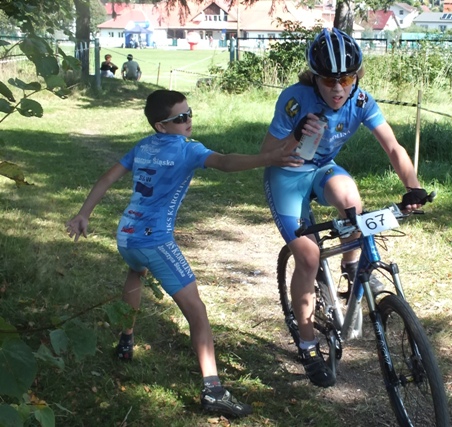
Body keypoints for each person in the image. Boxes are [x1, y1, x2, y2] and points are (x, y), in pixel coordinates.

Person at [65, 89, 302, 417]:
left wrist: (84, 214)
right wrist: (268, 158)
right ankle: (213, 390)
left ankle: (125, 340)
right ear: (161, 125)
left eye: (189, 113)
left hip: (126, 236)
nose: (189, 120)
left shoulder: (142, 147)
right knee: (197, 312)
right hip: (155, 240)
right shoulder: (188, 150)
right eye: (180, 118)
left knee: (136, 272)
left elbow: (107, 178)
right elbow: (224, 162)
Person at [260, 28, 429, 388]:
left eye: (347, 79)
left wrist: (412, 186)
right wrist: (294, 136)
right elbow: (266, 153)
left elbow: (393, 147)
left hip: (322, 169)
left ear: (357, 76)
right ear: (314, 78)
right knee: (308, 258)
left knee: (352, 202)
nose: (338, 89)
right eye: (329, 80)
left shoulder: (362, 101)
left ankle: (352, 267)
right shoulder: (295, 100)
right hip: (286, 175)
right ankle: (308, 344)